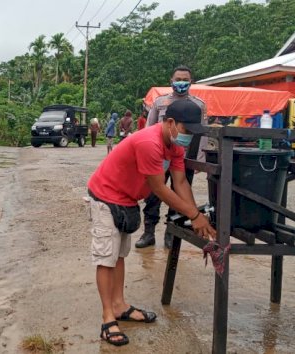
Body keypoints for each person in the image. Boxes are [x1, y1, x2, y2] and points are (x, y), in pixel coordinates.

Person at [87, 99, 217, 346]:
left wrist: (196, 216)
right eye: (186, 130)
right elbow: (160, 188)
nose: (188, 137)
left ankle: (120, 305)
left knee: (120, 255)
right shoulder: (150, 142)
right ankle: (107, 319)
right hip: (105, 195)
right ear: (170, 123)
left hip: (127, 199)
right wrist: (194, 216)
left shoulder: (175, 146)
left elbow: (180, 183)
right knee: (106, 258)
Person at [137, 66, 208, 249]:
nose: (181, 82)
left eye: (185, 79)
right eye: (178, 79)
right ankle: (148, 232)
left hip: (185, 158)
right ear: (171, 80)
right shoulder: (160, 102)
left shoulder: (198, 105)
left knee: (180, 195)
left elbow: (203, 134)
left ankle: (171, 232)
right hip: (161, 156)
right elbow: (150, 127)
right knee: (153, 194)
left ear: (191, 81)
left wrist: (200, 159)